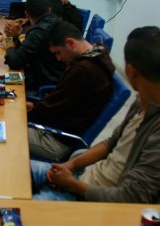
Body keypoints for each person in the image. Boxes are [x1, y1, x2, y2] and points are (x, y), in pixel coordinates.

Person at [31, 26, 160, 202]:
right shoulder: (144, 101)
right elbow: (111, 142)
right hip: (82, 181)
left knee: (19, 212)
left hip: (92, 200)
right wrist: (69, 165)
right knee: (14, 169)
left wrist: (71, 184)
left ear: (130, 71)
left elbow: (130, 196)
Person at [27, 21, 115, 161]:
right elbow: (57, 103)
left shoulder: (82, 71)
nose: (58, 58)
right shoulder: (98, 54)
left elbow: (51, 111)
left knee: (6, 129)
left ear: (70, 43)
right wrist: (34, 106)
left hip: (56, 141)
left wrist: (21, 114)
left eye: (58, 52)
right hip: (59, 130)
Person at [4, 0, 64, 93]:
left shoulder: (38, 31)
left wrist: (9, 38)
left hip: (44, 88)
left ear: (26, 14)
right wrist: (16, 37)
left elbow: (14, 63)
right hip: (60, 83)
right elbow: (26, 54)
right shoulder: (57, 22)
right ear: (49, 10)